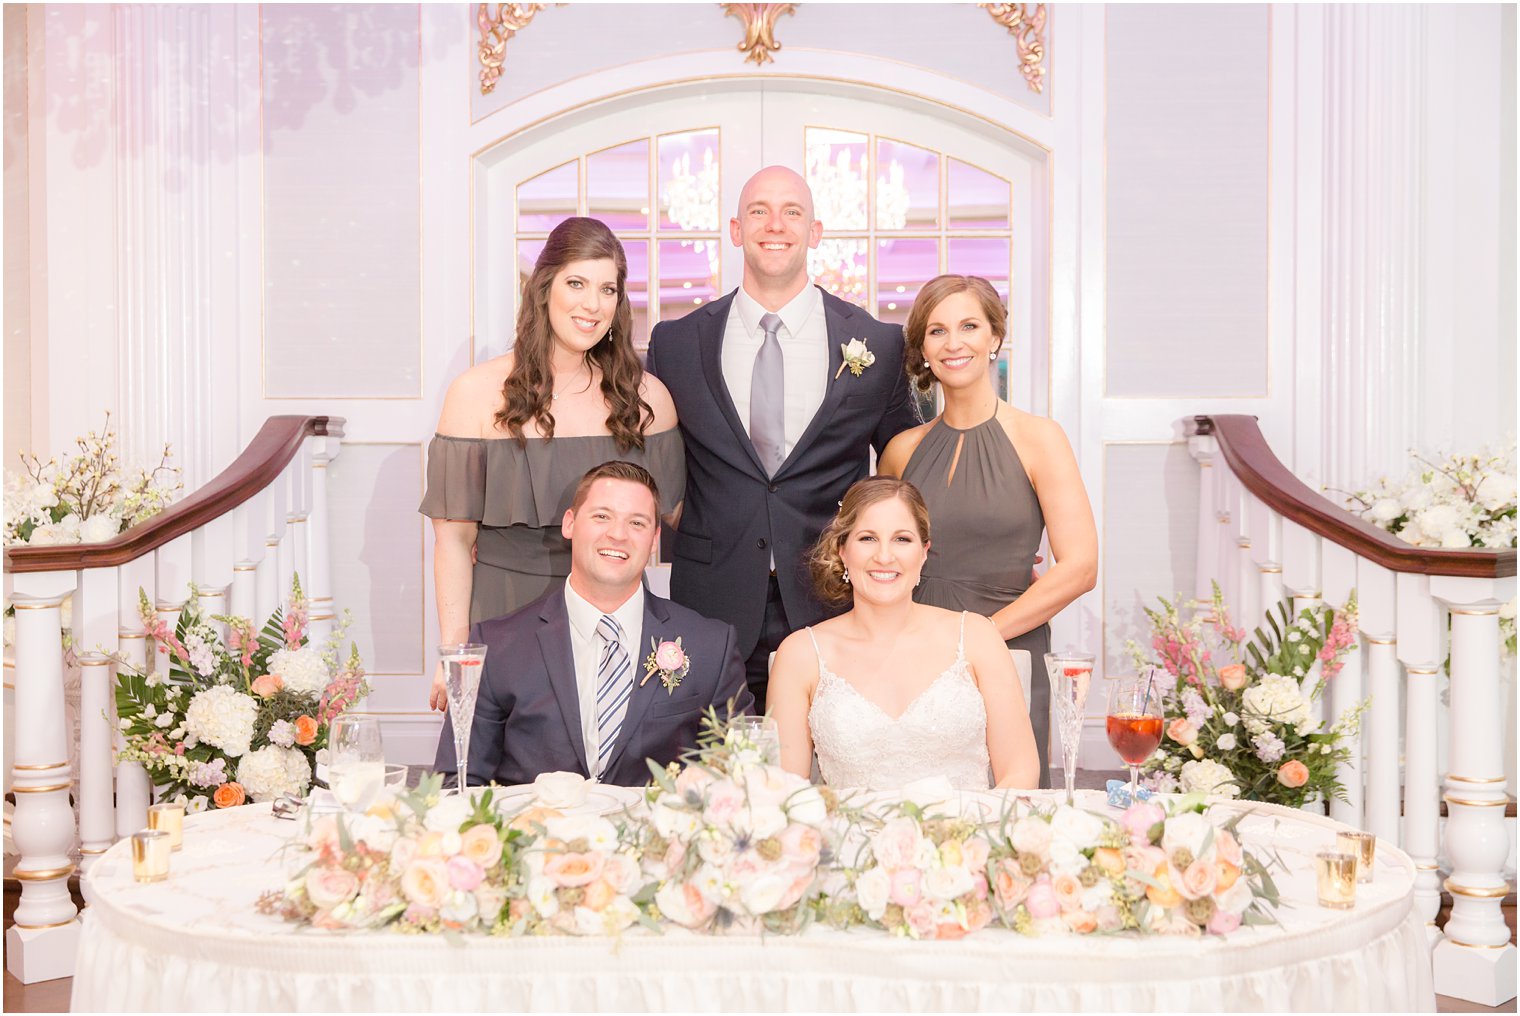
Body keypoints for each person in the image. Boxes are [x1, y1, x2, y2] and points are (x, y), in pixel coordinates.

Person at [645, 166, 920, 713]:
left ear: (815, 231)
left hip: (835, 599)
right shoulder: (675, 343)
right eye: (759, 211)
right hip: (710, 603)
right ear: (734, 228)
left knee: (829, 781)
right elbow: (655, 471)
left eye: (792, 211)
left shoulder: (878, 344)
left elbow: (907, 470)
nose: (776, 224)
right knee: (716, 778)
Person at [421, 217, 685, 773]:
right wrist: (456, 655)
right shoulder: (475, 394)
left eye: (608, 288)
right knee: (490, 791)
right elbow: (452, 542)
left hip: (613, 623)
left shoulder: (648, 400)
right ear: (543, 288)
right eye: (576, 283)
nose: (593, 304)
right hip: (503, 612)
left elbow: (672, 526)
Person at [877, 275, 1098, 788]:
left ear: (995, 337)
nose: (954, 343)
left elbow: (1081, 566)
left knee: (1010, 818)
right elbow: (880, 558)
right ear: (923, 350)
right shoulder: (900, 452)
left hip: (1010, 651)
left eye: (969, 326)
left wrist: (976, 641)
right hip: (912, 658)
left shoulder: (1040, 438)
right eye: (937, 331)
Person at [458, 461, 754, 787]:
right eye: (602, 516)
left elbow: (741, 779)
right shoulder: (498, 646)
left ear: (654, 539)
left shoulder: (711, 646)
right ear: (570, 523)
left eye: (637, 523)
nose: (617, 534)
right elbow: (459, 783)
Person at [768, 477, 1039, 790]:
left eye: (902, 539)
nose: (884, 556)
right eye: (868, 538)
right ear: (842, 550)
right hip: (849, 837)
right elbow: (784, 792)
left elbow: (1020, 774)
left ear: (924, 552)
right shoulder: (800, 654)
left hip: (963, 834)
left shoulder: (978, 637)